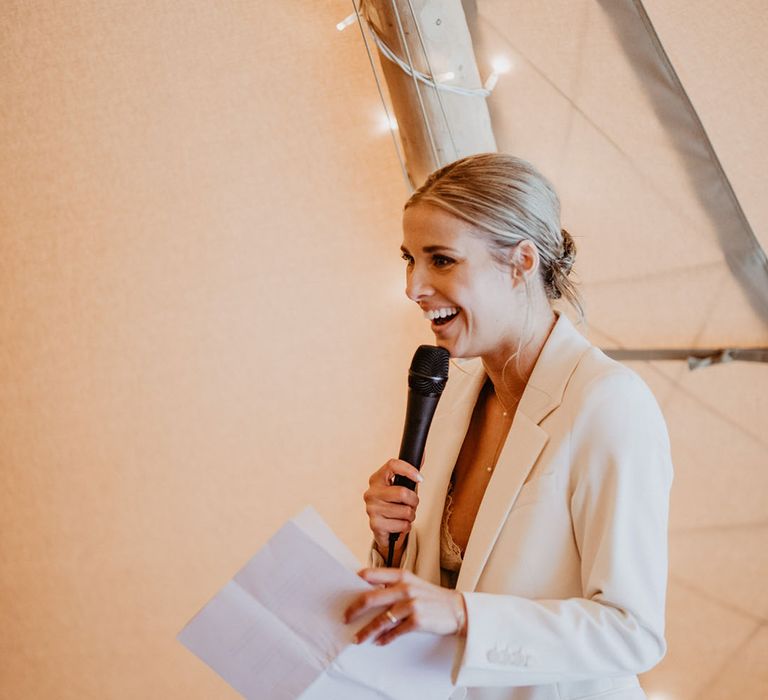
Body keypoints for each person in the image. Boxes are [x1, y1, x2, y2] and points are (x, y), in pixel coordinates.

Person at [343, 153, 673, 700]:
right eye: (410, 260)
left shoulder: (609, 403)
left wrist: (462, 613)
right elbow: (444, 596)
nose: (413, 287)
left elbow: (631, 632)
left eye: (441, 260)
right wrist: (391, 545)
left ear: (521, 262)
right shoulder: (453, 399)